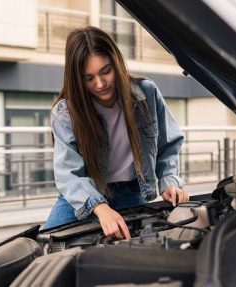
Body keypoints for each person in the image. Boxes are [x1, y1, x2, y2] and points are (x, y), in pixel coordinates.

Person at [44, 26, 189, 239]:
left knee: (129, 252)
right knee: (47, 244)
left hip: (131, 192)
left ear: (117, 63)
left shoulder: (146, 93)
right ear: (77, 79)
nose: (100, 84)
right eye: (89, 78)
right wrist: (100, 208)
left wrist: (169, 181)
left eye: (106, 71)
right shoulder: (66, 113)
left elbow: (168, 145)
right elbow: (68, 174)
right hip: (84, 194)